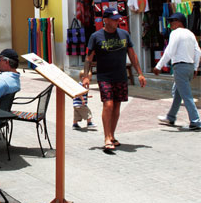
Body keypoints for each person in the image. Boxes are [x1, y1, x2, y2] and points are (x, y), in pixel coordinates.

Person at [83, 8, 146, 152]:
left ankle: (112, 135)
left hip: (120, 76)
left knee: (117, 106)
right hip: (105, 76)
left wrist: (140, 74)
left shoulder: (124, 34)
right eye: (114, 19)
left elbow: (132, 55)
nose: (117, 21)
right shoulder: (96, 36)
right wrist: (86, 76)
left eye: (118, 19)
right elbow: (89, 58)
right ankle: (106, 138)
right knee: (108, 105)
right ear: (105, 20)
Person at [154, 12, 201, 130]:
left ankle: (195, 121)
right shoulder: (190, 34)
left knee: (186, 95)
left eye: (172, 21)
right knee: (177, 93)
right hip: (189, 67)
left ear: (179, 22)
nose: (170, 24)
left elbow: (170, 51)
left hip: (180, 67)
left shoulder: (175, 33)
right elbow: (198, 51)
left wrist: (159, 66)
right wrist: (195, 67)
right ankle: (170, 117)